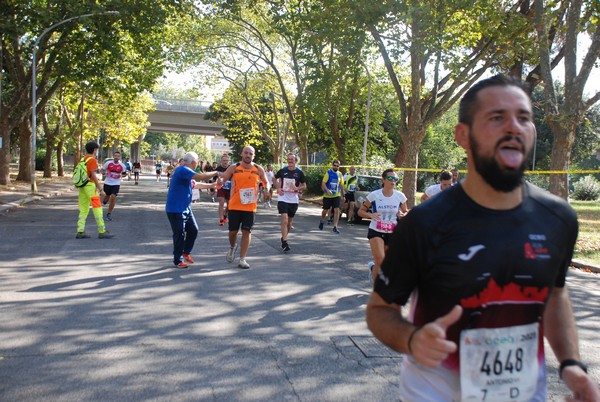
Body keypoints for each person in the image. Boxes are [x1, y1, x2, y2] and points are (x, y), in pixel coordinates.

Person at [365, 75, 600, 401]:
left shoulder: (559, 218)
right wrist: (412, 338)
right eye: (497, 117)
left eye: (523, 118)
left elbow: (555, 296)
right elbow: (379, 310)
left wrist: (572, 364)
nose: (514, 127)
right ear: (463, 135)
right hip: (434, 391)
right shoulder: (426, 222)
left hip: (526, 392)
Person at [165, 152, 220, 268]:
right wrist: (216, 172)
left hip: (185, 208)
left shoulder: (186, 173)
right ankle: (178, 259)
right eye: (198, 162)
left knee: (193, 230)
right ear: (194, 163)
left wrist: (212, 185)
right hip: (175, 209)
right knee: (179, 234)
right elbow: (202, 177)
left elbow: (196, 184)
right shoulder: (182, 170)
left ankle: (186, 252)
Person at [357, 168, 408, 286]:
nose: (393, 181)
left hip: (392, 232)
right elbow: (360, 211)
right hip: (376, 230)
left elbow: (406, 212)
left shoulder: (400, 196)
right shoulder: (374, 195)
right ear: (383, 180)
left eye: (395, 179)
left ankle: (373, 269)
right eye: (390, 178)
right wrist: (370, 215)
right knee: (380, 259)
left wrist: (402, 215)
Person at [221, 146, 268, 269]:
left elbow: (265, 182)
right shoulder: (234, 167)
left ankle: (242, 259)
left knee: (247, 232)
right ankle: (232, 247)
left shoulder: (258, 169)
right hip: (235, 205)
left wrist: (266, 191)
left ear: (254, 155)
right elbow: (224, 178)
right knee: (233, 232)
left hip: (250, 207)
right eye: (246, 153)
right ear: (242, 154)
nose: (248, 155)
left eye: (250, 153)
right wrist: (218, 182)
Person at [75, 141, 113, 239]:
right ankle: (102, 231)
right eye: (97, 150)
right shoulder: (92, 160)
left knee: (83, 208)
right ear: (95, 150)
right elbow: (93, 175)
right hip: (90, 185)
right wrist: (101, 189)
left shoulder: (83, 159)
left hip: (82, 186)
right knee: (97, 208)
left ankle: (80, 231)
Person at [273, 153, 307, 253]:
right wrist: (278, 188)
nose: (290, 161)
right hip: (283, 197)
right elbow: (274, 178)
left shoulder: (299, 172)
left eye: (292, 159)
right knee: (284, 219)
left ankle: (284, 237)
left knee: (289, 222)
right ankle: (285, 242)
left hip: (293, 199)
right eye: (288, 159)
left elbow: (304, 185)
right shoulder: (283, 171)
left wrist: (297, 188)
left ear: (295, 161)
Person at [318, 160, 344, 234]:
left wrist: (343, 195)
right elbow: (323, 183)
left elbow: (341, 185)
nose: (336, 167)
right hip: (328, 195)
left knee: (336, 210)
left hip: (336, 195)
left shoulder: (340, 174)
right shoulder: (328, 172)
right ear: (332, 165)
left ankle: (335, 226)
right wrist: (327, 190)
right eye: (335, 165)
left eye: (337, 166)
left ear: (339, 166)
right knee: (325, 210)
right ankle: (322, 220)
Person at [101, 151, 127, 221]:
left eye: (118, 156)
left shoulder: (122, 166)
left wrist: (121, 175)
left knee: (113, 197)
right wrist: (104, 174)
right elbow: (102, 170)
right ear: (113, 156)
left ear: (119, 157)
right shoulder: (108, 163)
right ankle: (105, 201)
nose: (116, 157)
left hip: (116, 183)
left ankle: (109, 213)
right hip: (107, 183)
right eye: (115, 155)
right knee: (107, 197)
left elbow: (124, 174)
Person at [216, 154, 231, 225]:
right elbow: (213, 179)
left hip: (229, 188)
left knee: (229, 204)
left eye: (226, 160)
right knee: (221, 202)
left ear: (229, 161)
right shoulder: (218, 169)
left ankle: (225, 214)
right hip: (221, 187)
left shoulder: (231, 168)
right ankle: (221, 219)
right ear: (221, 161)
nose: (225, 162)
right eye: (224, 160)